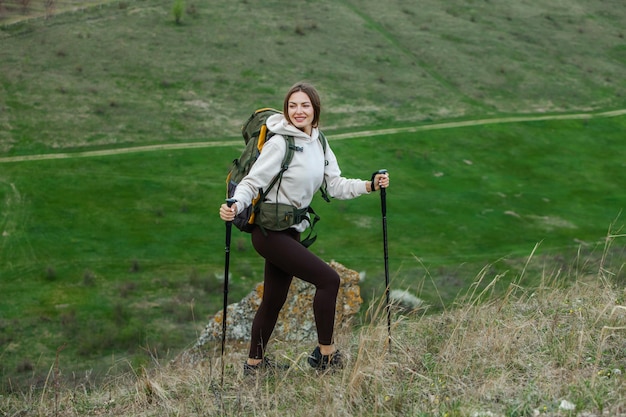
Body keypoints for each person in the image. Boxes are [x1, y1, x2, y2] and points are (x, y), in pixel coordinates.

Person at [219, 82, 390, 373]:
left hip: (291, 230)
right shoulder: (279, 143)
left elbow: (334, 185)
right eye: (293, 106)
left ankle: (254, 366)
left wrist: (369, 185)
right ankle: (326, 356)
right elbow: (252, 182)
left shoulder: (319, 142)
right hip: (269, 233)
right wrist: (235, 202)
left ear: (315, 111)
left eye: (305, 105)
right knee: (329, 280)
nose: (299, 111)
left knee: (273, 300)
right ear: (287, 110)